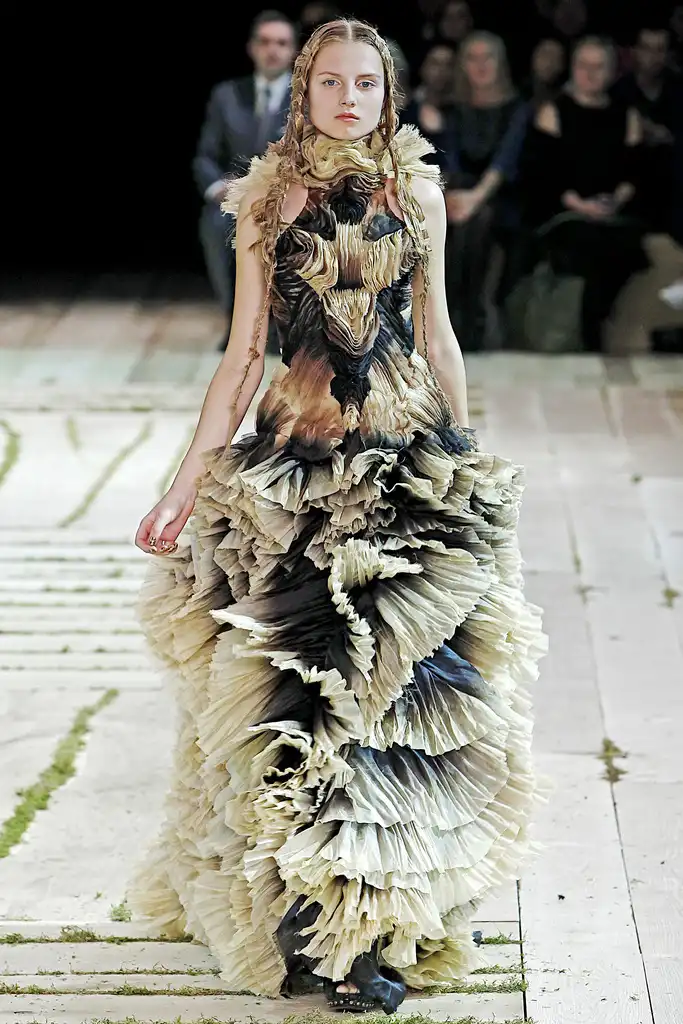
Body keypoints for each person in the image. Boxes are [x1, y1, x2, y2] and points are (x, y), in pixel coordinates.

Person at [129, 17, 546, 1015]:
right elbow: (243, 357)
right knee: (301, 703)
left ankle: (374, 926)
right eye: (329, 82)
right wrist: (183, 483)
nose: (347, 99)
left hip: (407, 460)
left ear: (389, 95)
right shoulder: (267, 197)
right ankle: (310, 924)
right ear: (301, 92)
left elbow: (437, 334)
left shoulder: (418, 192)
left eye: (365, 83)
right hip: (297, 469)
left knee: (401, 702)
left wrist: (464, 453)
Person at [193, 10, 297, 350]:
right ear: (252, 48)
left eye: (281, 43)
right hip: (234, 198)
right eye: (265, 42)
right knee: (215, 222)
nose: (272, 50)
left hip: (287, 197)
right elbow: (205, 155)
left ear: (293, 50)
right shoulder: (226, 95)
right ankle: (238, 322)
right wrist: (217, 188)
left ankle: (279, 327)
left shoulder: (306, 96)